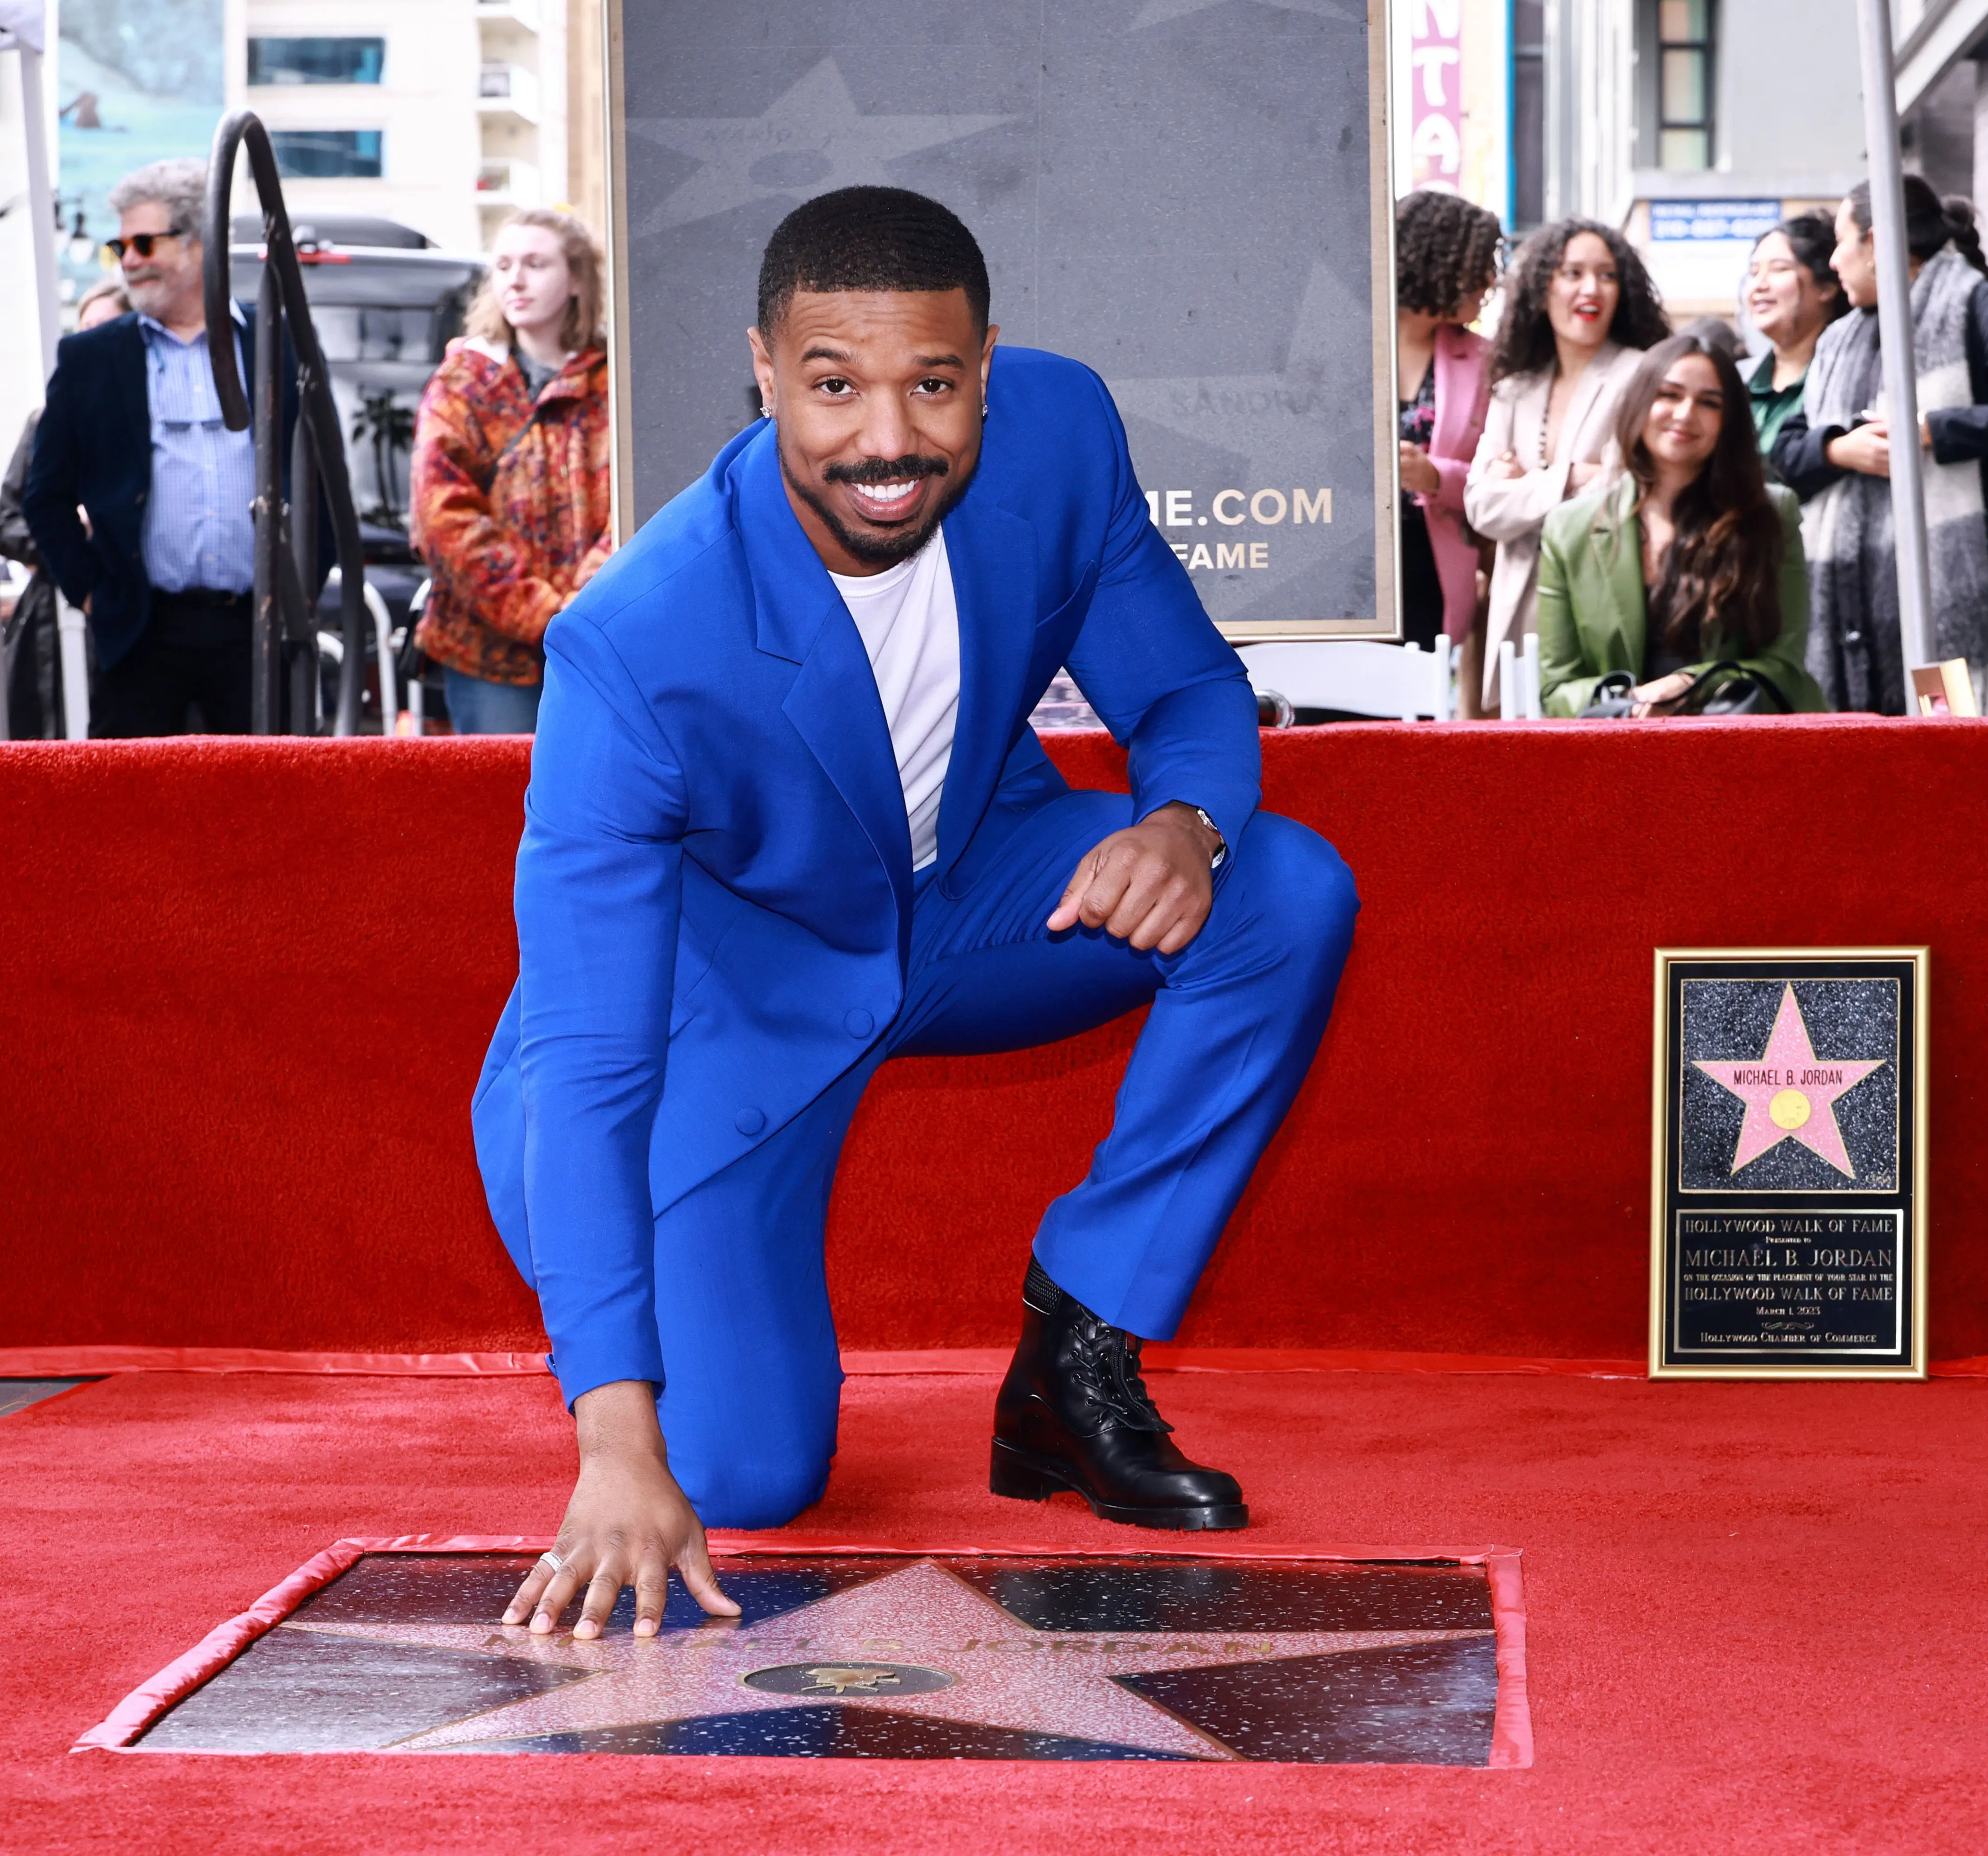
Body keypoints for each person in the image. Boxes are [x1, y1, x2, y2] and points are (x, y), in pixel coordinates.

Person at [482, 187, 1360, 1642]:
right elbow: (590, 1057)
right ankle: (660, 1354)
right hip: (726, 1013)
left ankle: (1075, 1354)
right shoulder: (635, 644)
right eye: (831, 386)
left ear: (987, 372)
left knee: (1280, 888)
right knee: (749, 1474)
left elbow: (1191, 690)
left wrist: (1181, 823)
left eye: (932, 385)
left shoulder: (1059, 440)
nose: (885, 440)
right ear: (762, 371)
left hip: (970, 900)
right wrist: (612, 1448)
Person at [1773, 179, 1988, 715]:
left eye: (1841, 243)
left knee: (1948, 759)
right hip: (1852, 610)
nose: (1835, 261)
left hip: (1947, 607)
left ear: (1875, 243)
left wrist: (1933, 431)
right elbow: (1785, 451)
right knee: (1864, 773)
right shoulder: (1837, 339)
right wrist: (1838, 450)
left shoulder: (1976, 305)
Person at [24, 159, 293, 737]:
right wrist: (94, 593)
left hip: (254, 630)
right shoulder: (91, 359)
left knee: (262, 812)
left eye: (145, 242)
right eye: (119, 246)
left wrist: (297, 593)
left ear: (201, 245)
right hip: (141, 630)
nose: (129, 261)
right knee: (132, 816)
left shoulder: (275, 342)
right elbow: (43, 497)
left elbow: (318, 483)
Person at [1535, 334, 1825, 717]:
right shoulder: (1568, 529)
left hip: (1738, 751)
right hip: (1616, 755)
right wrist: (1632, 703)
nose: (1686, 414)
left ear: (1729, 420)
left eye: (1709, 403)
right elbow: (1557, 690)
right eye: (1669, 395)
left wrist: (1691, 685)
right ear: (1640, 402)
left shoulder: (1772, 513)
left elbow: (1784, 669)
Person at [411, 208, 612, 735]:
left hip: (598, 644)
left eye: (535, 263)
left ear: (575, 279)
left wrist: (579, 610)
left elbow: (635, 506)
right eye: (502, 265)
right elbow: (443, 516)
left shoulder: (615, 380)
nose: (515, 279)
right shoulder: (463, 382)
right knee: (500, 807)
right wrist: (543, 613)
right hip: (488, 659)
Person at [1465, 218, 1669, 709]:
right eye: (1572, 273)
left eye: (1606, 275)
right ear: (1542, 287)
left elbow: (1624, 494)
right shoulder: (1512, 389)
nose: (1590, 288)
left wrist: (1525, 487)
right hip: (1517, 614)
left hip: (1601, 606)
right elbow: (1481, 507)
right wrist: (1571, 476)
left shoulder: (1641, 373)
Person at [0, 278, 129, 738]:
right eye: (84, 327)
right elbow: (8, 521)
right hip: (50, 622)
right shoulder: (46, 421)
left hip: (128, 615)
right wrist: (64, 536)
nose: (92, 338)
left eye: (105, 326)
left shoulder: (152, 419)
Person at [1392, 189, 1502, 688]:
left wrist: (1434, 476)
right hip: (1337, 570)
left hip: (1429, 578)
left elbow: (1500, 472)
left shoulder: (1486, 361)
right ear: (1435, 255)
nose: (1489, 280)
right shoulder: (1339, 342)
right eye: (1478, 262)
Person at [1742, 212, 1846, 462]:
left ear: (1826, 287)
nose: (1759, 285)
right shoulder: (1738, 379)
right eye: (1754, 272)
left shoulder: (1845, 377)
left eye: (1779, 269)